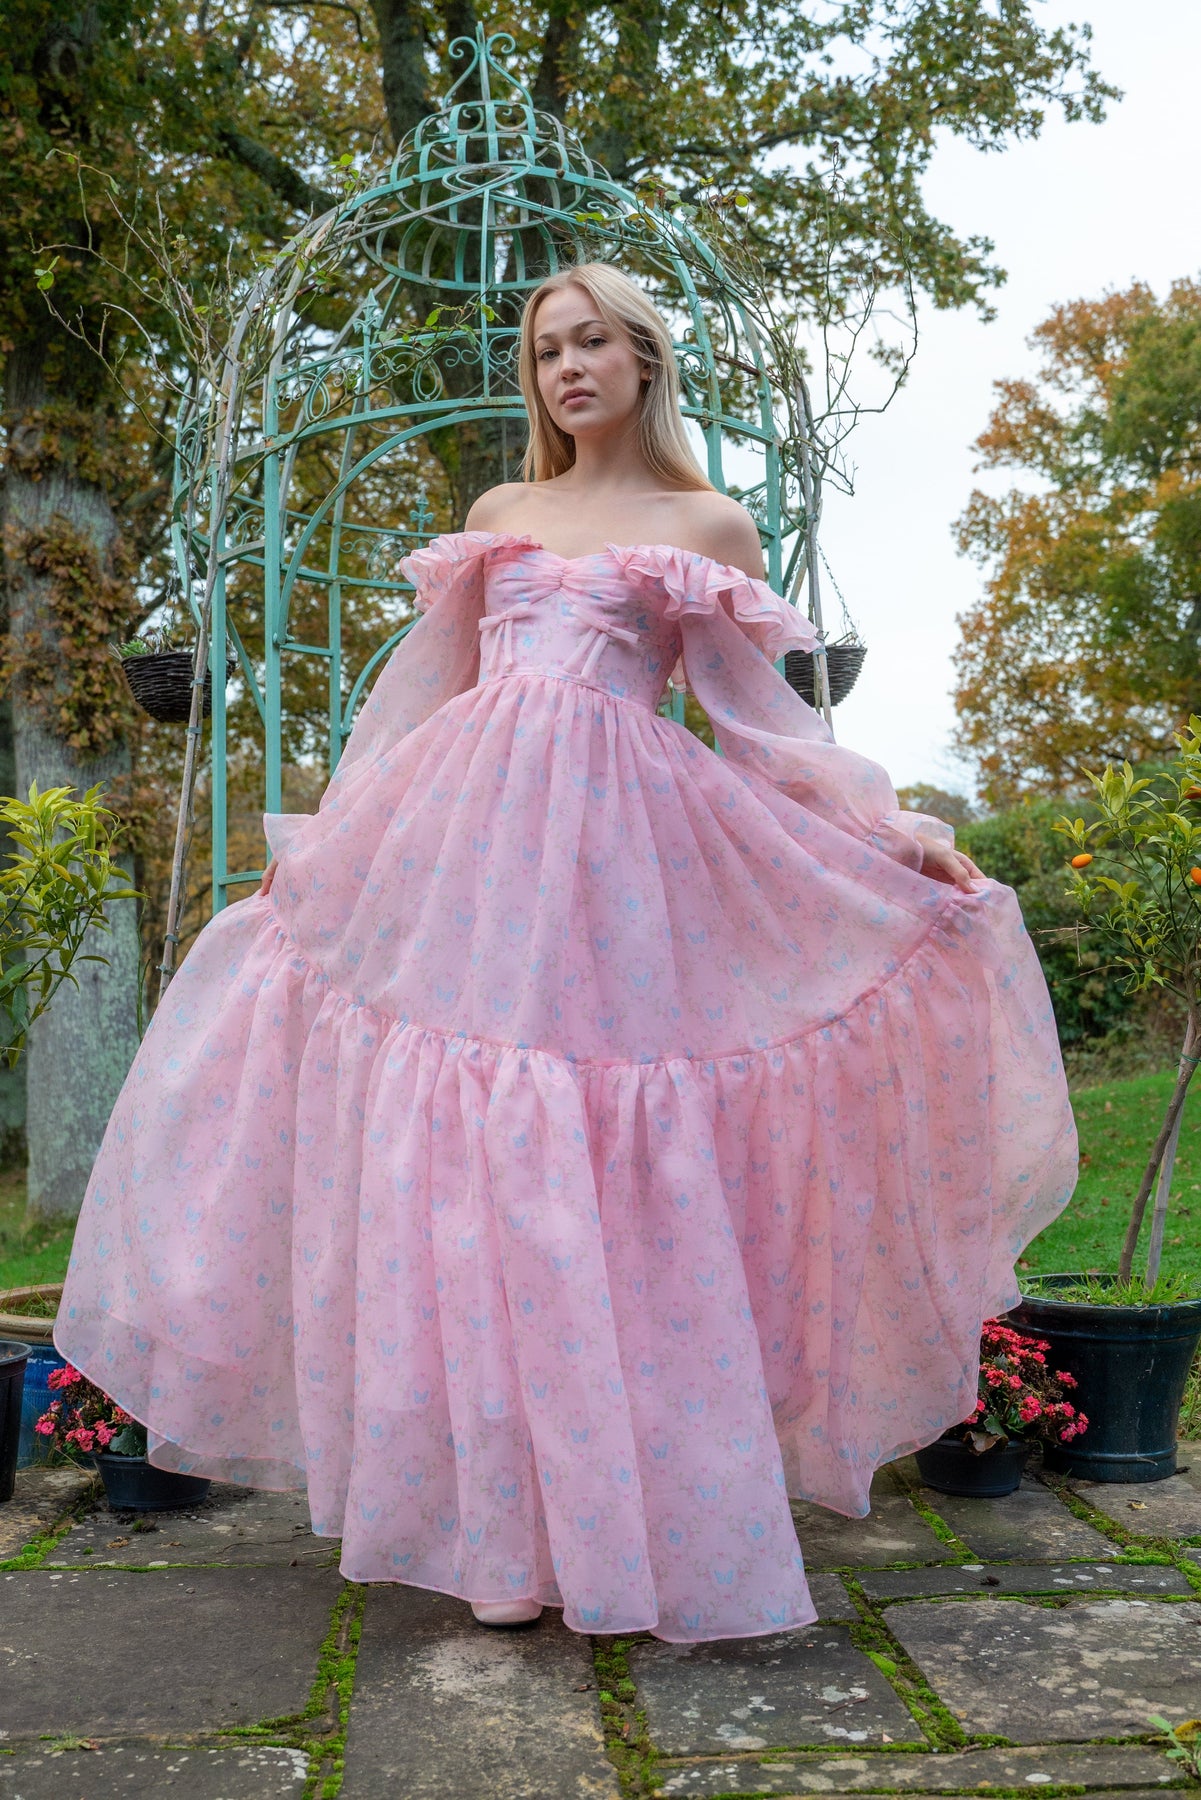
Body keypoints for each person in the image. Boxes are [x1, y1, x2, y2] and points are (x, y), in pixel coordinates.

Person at [56, 260, 1077, 1644]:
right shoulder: (502, 516)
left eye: (592, 342)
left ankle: (624, 1518)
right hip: (472, 856)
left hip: (621, 868)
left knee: (596, 1160)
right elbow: (422, 696)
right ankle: (496, 1531)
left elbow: (758, 721)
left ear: (645, 358)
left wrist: (892, 835)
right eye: (546, 351)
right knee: (475, 1164)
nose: (568, 369)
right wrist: (344, 836)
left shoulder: (704, 525)